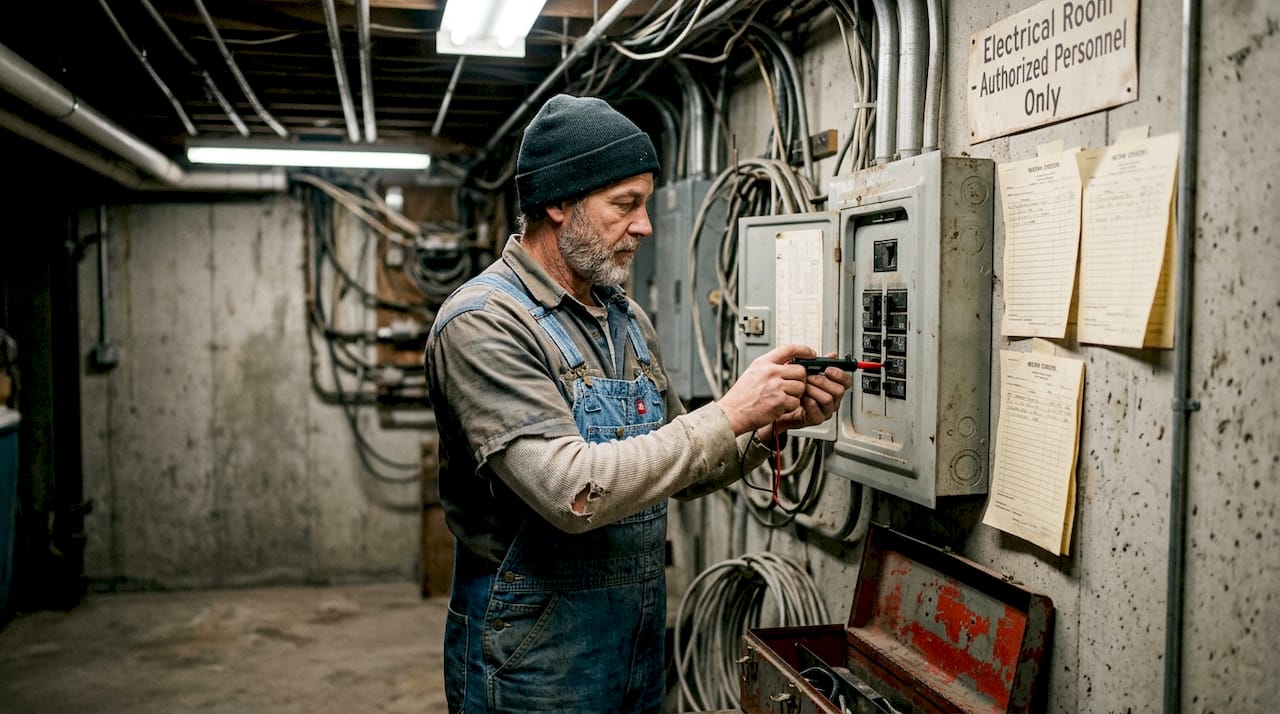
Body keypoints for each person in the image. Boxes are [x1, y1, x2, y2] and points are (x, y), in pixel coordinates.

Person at [424, 93, 851, 714]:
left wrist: (767, 425)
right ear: (557, 204)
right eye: (625, 205)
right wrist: (730, 412)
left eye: (645, 204)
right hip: (532, 662)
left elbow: (680, 464)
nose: (645, 225)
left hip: (634, 644)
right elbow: (571, 491)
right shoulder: (484, 323)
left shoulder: (623, 318)